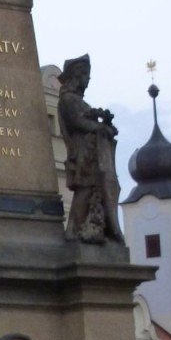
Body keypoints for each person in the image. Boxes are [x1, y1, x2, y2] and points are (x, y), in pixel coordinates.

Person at [57, 55, 124, 244]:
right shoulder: (69, 99)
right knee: (84, 190)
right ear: (77, 76)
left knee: (87, 190)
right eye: (86, 75)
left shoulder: (77, 100)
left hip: (90, 153)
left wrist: (104, 125)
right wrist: (100, 127)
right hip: (82, 153)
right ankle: (74, 230)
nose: (88, 80)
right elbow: (78, 122)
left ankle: (79, 228)